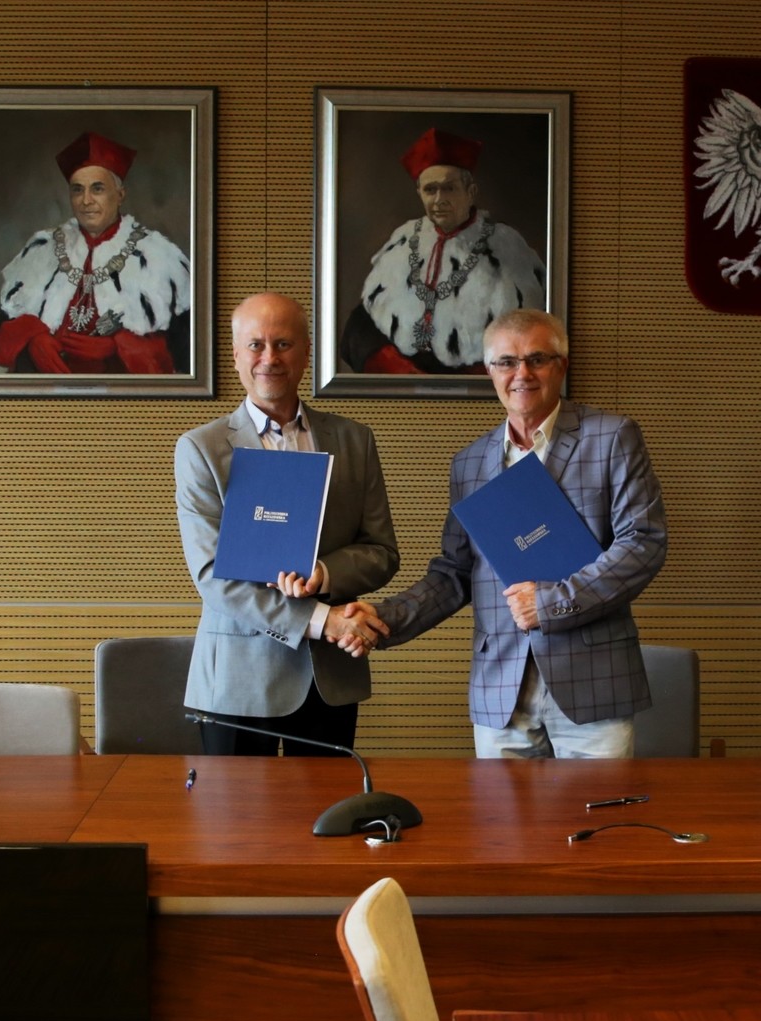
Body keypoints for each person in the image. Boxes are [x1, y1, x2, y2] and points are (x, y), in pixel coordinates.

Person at [336, 308, 667, 759]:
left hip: (593, 684)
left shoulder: (611, 437)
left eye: (537, 359)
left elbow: (643, 543)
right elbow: (454, 574)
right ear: (489, 371)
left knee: (599, 806)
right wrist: (383, 617)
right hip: (501, 692)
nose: (522, 374)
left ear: (562, 366)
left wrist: (549, 603)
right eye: (506, 362)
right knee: (501, 810)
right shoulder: (470, 463)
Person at [175, 291, 397, 756]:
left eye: (283, 344)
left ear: (306, 352)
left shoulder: (354, 440)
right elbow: (213, 575)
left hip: (329, 678)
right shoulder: (202, 449)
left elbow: (381, 552)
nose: (269, 358)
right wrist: (322, 620)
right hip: (237, 682)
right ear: (236, 355)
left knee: (328, 805)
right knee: (233, 808)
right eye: (255, 345)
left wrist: (325, 574)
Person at [340, 127, 546, 376]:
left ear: (471, 192)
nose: (439, 200)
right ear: (419, 193)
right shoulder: (403, 240)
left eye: (449, 188)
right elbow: (363, 324)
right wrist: (397, 370)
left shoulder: (506, 246)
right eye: (430, 190)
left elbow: (526, 335)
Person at [0, 130, 191, 375]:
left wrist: (118, 346)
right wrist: (33, 339)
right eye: (77, 190)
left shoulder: (158, 257)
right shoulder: (43, 250)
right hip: (46, 392)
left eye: (97, 189)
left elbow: (187, 359)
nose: (86, 200)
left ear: (120, 195)